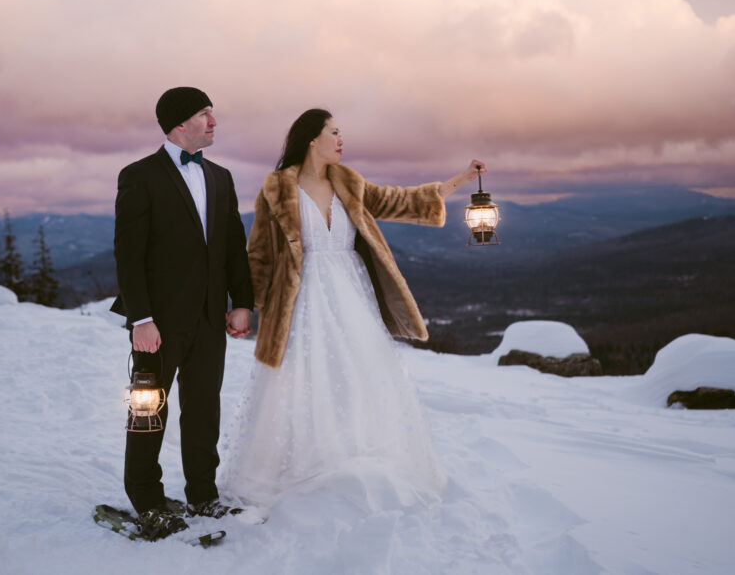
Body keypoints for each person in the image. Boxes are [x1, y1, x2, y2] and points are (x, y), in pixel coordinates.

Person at [219, 108, 485, 515]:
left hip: (352, 298)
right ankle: (298, 475)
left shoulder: (350, 182)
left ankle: (357, 471)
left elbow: (400, 200)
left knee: (359, 379)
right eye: (334, 132)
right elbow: (258, 256)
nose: (341, 140)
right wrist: (243, 307)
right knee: (299, 383)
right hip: (299, 303)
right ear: (312, 139)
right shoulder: (276, 188)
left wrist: (459, 181)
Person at [111, 86, 254, 539]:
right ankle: (147, 500)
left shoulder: (222, 177)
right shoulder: (139, 175)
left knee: (203, 410)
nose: (214, 122)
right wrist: (141, 319)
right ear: (178, 124)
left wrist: (242, 302)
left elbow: (233, 246)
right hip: (157, 324)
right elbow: (128, 255)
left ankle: (203, 496)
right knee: (148, 411)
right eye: (205, 115)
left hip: (211, 318)